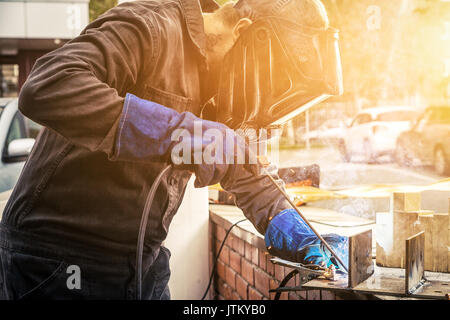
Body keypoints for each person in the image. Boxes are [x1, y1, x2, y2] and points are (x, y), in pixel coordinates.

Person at [0, 0, 347, 300]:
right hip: (57, 262)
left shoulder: (225, 88)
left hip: (142, 264)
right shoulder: (150, 26)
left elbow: (244, 167)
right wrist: (182, 133)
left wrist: (294, 227)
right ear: (243, 32)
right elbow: (48, 85)